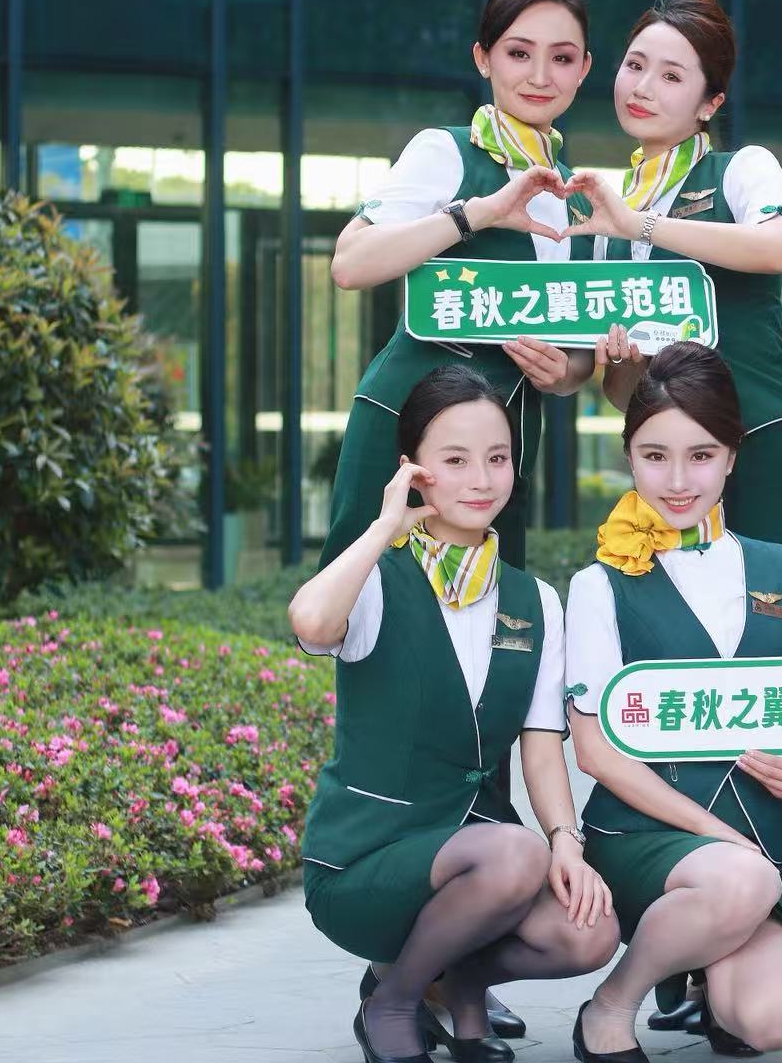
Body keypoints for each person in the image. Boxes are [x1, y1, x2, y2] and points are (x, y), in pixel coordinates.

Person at [291, 365, 618, 1063]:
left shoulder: (533, 600)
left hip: (480, 865)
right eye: (456, 460)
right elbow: (311, 624)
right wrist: (384, 527)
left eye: (497, 458)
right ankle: (394, 1000)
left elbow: (541, 746)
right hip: (365, 863)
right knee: (514, 852)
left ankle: (458, 986)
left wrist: (566, 842)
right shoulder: (377, 580)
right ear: (414, 471)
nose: (481, 480)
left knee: (589, 930)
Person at [564, 341, 782, 1062]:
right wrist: (715, 836)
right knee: (740, 878)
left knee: (767, 1022)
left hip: (760, 842)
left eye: (702, 455)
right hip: (643, 837)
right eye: (655, 456)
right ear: (628, 455)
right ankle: (612, 1005)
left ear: (732, 456)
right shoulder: (598, 585)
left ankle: (702, 966)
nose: (679, 480)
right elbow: (594, 752)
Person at [323, 0, 609, 577]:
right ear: (483, 58)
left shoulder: (581, 199)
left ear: (585, 69)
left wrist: (564, 373)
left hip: (498, 452)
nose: (540, 76)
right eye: (518, 53)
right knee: (368, 601)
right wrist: (478, 213)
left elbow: (580, 354)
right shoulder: (444, 152)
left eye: (561, 58)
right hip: (405, 431)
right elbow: (350, 262)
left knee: (486, 615)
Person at [559, 0, 782, 576]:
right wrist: (621, 363)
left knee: (779, 605)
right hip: (671, 465)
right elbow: (625, 394)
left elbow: (776, 248)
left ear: (710, 103)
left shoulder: (740, 168)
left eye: (672, 76)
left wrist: (640, 224)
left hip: (760, 434)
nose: (643, 87)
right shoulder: (607, 214)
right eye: (635, 65)